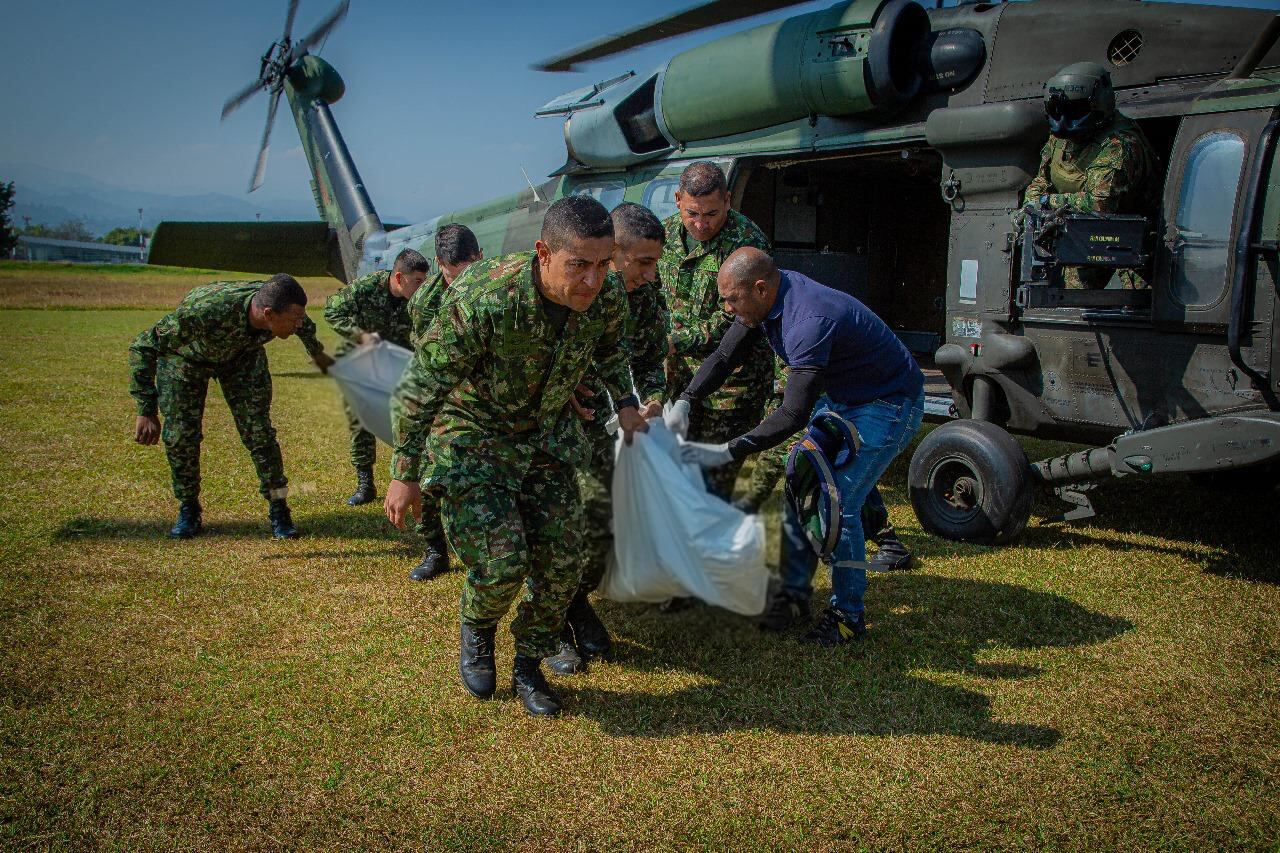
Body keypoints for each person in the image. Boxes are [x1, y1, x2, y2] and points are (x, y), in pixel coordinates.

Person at [384, 196, 647, 716]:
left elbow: (612, 349)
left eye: (602, 264)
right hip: (475, 433)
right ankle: (478, 629)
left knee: (562, 561)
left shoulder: (606, 292)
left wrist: (626, 401)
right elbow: (420, 386)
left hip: (549, 434)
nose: (593, 281)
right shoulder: (486, 296)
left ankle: (529, 663)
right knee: (502, 563)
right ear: (544, 252)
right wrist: (405, 474)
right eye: (578, 265)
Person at [673, 248, 925, 647]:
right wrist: (687, 398)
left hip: (887, 403)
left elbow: (791, 414)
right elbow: (724, 354)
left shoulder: (808, 320)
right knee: (803, 481)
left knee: (836, 501)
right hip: (845, 395)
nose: (726, 308)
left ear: (759, 288)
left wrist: (728, 451)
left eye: (731, 299)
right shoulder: (769, 295)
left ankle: (847, 617)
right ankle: (794, 596)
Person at [129, 274, 335, 540]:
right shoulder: (204, 313)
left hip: (242, 358)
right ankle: (188, 508)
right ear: (269, 314)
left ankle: (279, 508)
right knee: (181, 437)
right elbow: (142, 346)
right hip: (186, 361)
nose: (298, 324)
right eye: (293, 320)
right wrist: (146, 409)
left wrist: (319, 356)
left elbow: (306, 328)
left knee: (260, 434)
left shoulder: (287, 308)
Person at [560, 202, 668, 670]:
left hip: (603, 424)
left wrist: (654, 396)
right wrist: (558, 389)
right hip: (551, 426)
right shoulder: (572, 287)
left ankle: (574, 599)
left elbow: (646, 357)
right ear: (613, 253)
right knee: (557, 522)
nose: (648, 274)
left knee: (606, 522)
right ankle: (550, 623)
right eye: (642, 262)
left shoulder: (643, 293)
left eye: (655, 263)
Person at [659, 161, 775, 501]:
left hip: (729, 387)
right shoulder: (661, 237)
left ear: (727, 200)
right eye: (692, 213)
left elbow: (739, 319)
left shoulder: (747, 243)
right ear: (678, 199)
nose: (701, 224)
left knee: (712, 482)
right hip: (677, 380)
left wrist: (672, 341)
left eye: (711, 213)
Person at [1021, 61, 1157, 289]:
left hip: (1128, 250)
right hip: (1082, 240)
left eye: (1074, 111)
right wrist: (1031, 206)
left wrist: (1045, 203)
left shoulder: (1119, 144)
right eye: (1056, 111)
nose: (1063, 121)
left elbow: (1098, 204)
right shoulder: (1060, 139)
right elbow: (1041, 181)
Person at [402, 224, 483, 583]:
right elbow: (427, 364)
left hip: (487, 395)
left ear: (479, 258)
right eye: (453, 276)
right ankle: (435, 549)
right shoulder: (424, 301)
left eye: (469, 271)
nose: (462, 283)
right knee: (428, 473)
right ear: (439, 264)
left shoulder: (494, 288)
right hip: (442, 394)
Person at [324, 248, 431, 507]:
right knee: (360, 417)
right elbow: (331, 311)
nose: (421, 288)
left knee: (413, 416)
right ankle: (365, 482)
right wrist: (359, 335)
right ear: (398, 278)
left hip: (401, 363)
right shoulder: (366, 288)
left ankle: (419, 476)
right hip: (365, 361)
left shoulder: (421, 298)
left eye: (424, 281)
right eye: (417, 281)